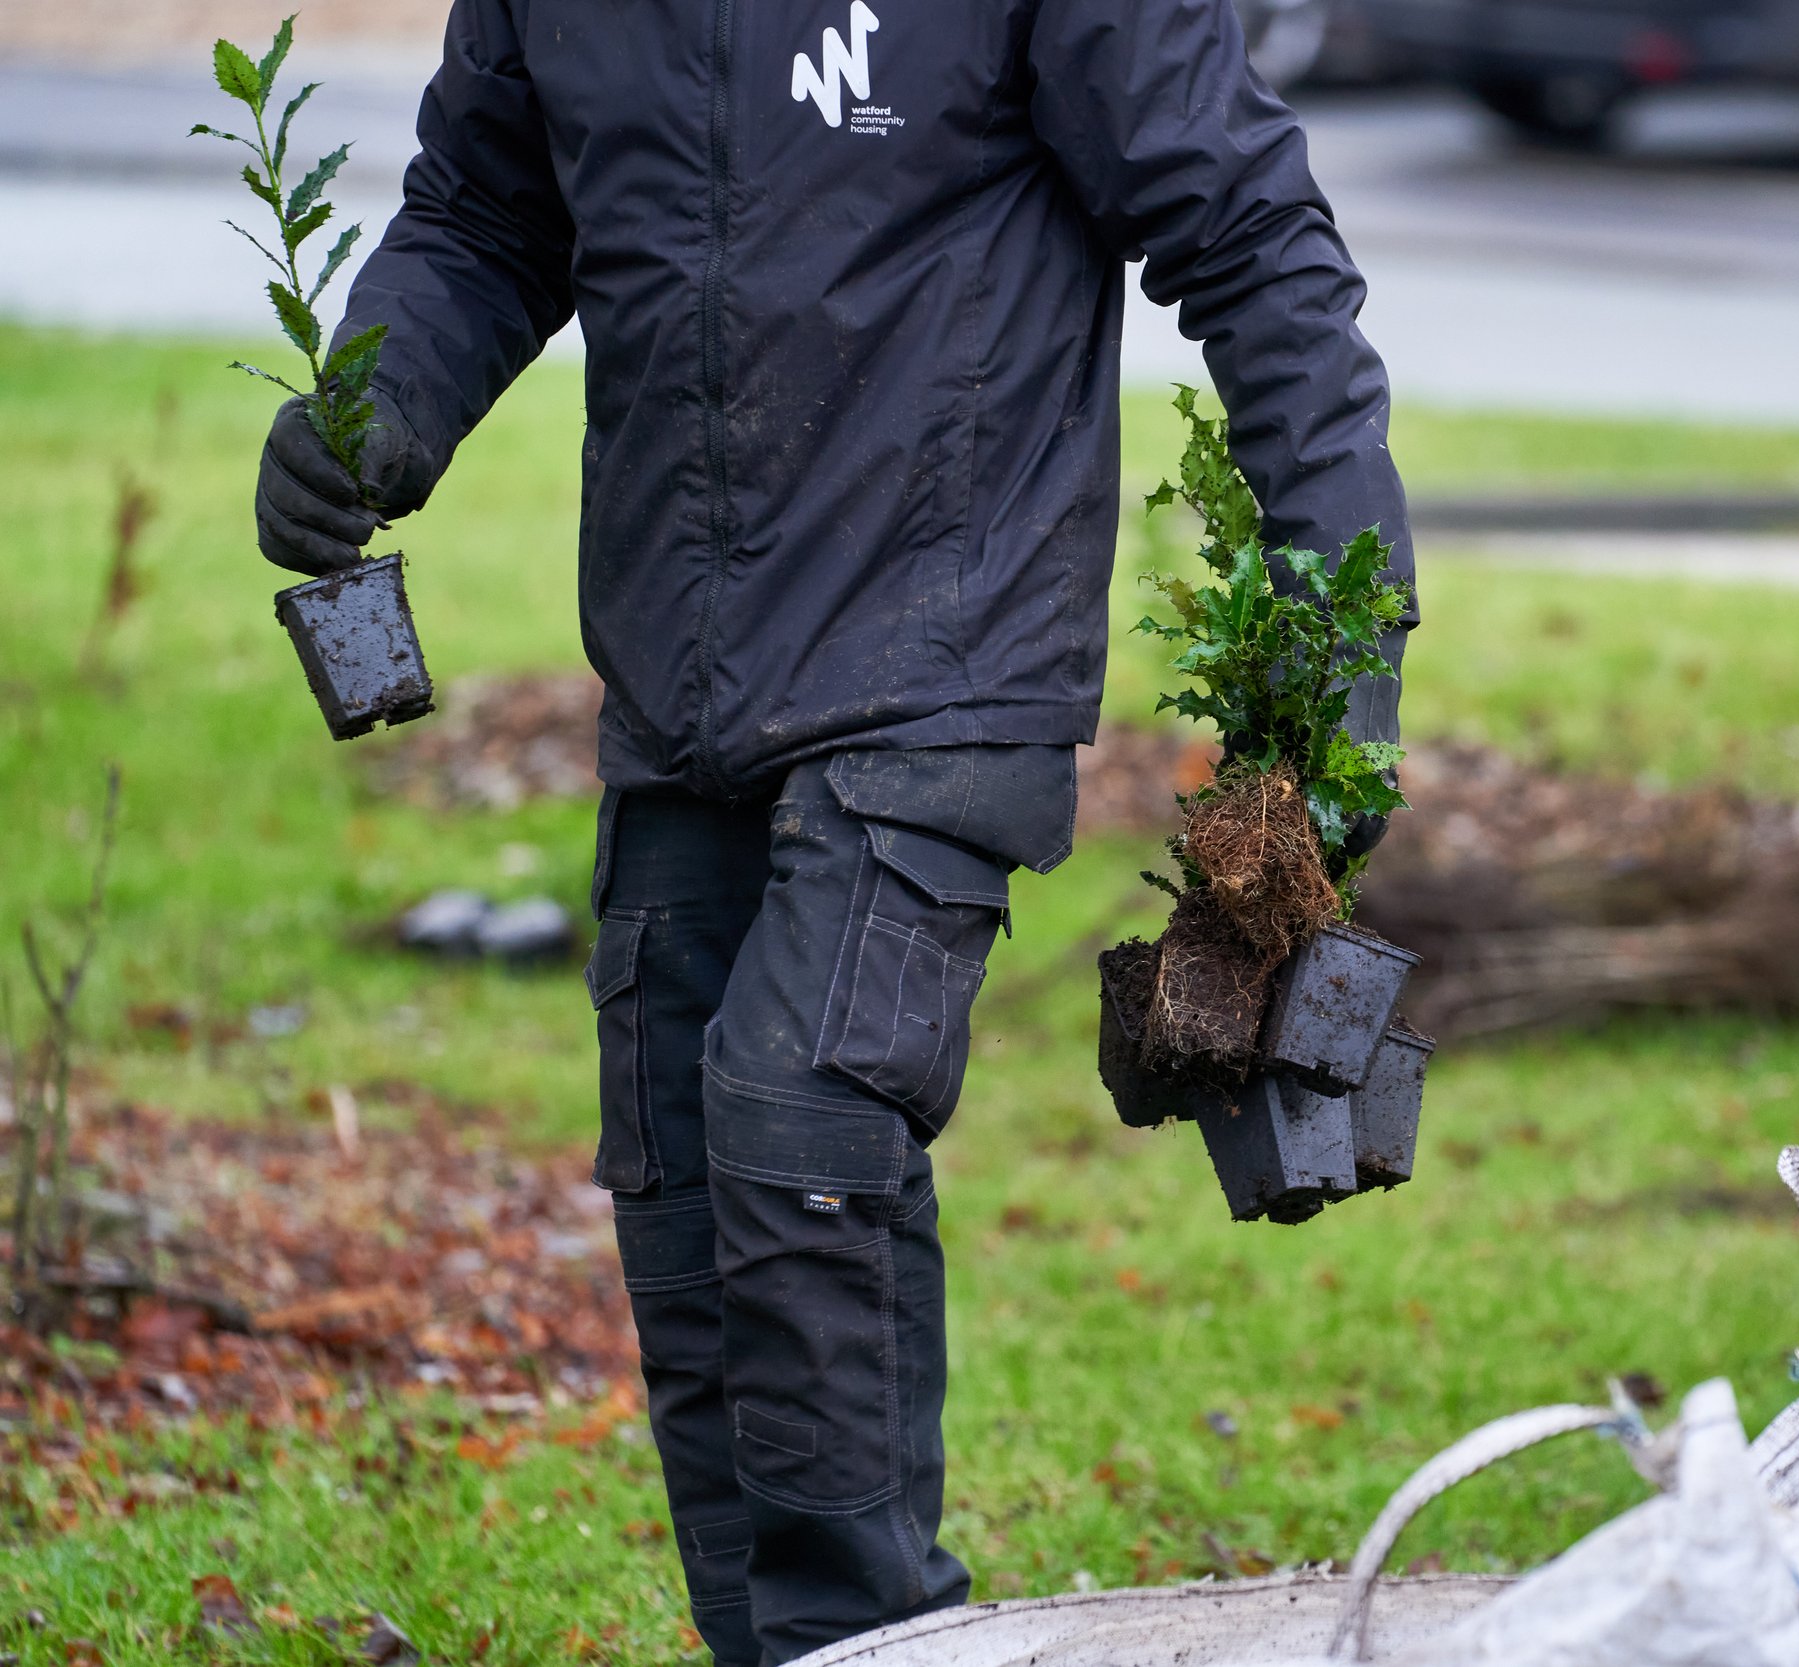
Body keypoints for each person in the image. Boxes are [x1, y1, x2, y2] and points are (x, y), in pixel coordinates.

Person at [250, 0, 1413, 1660]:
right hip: (681, 667)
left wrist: (1343, 604)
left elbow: (1246, 227)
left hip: (948, 649)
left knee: (796, 1120)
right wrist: (376, 404)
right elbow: (489, 212)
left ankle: (878, 1649)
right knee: (681, 1170)